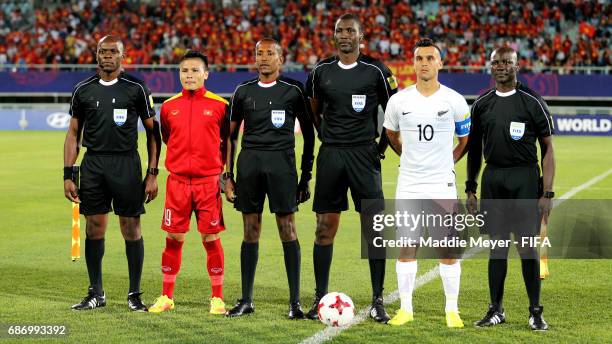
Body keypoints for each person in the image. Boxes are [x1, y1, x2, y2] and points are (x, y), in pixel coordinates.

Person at [304, 13, 398, 323]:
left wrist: (379, 149)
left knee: (374, 230)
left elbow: (393, 113)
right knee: (324, 228)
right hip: (332, 155)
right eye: (339, 30)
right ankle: (320, 297)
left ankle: (377, 299)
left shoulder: (376, 71)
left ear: (361, 36)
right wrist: (328, 137)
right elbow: (313, 112)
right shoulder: (320, 72)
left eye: (350, 30)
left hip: (364, 155)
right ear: (334, 36)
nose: (345, 35)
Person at [63, 35, 161, 312]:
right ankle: (96, 292)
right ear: (96, 55)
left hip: (126, 164)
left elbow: (154, 133)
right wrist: (68, 174)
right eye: (102, 51)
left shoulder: (136, 88)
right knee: (94, 228)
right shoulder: (82, 89)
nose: (107, 55)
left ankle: (134, 294)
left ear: (123, 55)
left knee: (131, 228)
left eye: (113, 51)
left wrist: (153, 173)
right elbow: (73, 133)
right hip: (93, 164)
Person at [223, 38, 315, 319]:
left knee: (288, 228)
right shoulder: (243, 91)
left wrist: (306, 175)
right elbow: (230, 136)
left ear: (281, 58)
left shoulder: (294, 90)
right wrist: (227, 176)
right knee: (250, 229)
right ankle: (246, 299)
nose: (263, 58)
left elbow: (310, 136)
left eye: (270, 53)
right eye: (259, 54)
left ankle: (295, 303)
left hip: (282, 166)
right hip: (249, 165)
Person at [466, 46, 555, 331]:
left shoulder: (532, 100)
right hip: (493, 180)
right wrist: (471, 188)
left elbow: (548, 148)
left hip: (525, 179)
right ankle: (496, 309)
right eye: (496, 62)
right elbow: (473, 150)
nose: (502, 66)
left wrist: (547, 193)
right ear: (490, 67)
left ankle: (535, 311)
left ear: (516, 66)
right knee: (497, 247)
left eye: (507, 62)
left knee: (527, 248)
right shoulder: (481, 104)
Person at [383, 38, 470, 328]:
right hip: (408, 183)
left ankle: (451, 310)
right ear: (413, 63)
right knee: (407, 246)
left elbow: (465, 140)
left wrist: (447, 163)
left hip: (442, 184)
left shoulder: (455, 100)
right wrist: (407, 156)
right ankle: (405, 309)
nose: (424, 63)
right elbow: (391, 135)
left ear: (440, 63)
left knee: (447, 248)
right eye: (419, 58)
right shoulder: (398, 101)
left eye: (430, 58)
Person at [148, 51, 229, 315]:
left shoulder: (220, 105)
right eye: (185, 71)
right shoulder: (169, 107)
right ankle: (166, 296)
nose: (189, 75)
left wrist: (223, 174)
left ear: (206, 74)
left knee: (210, 237)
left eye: (195, 71)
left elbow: (227, 142)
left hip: (208, 183)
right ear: (179, 74)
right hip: (178, 183)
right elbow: (168, 139)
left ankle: (217, 297)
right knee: (173, 238)